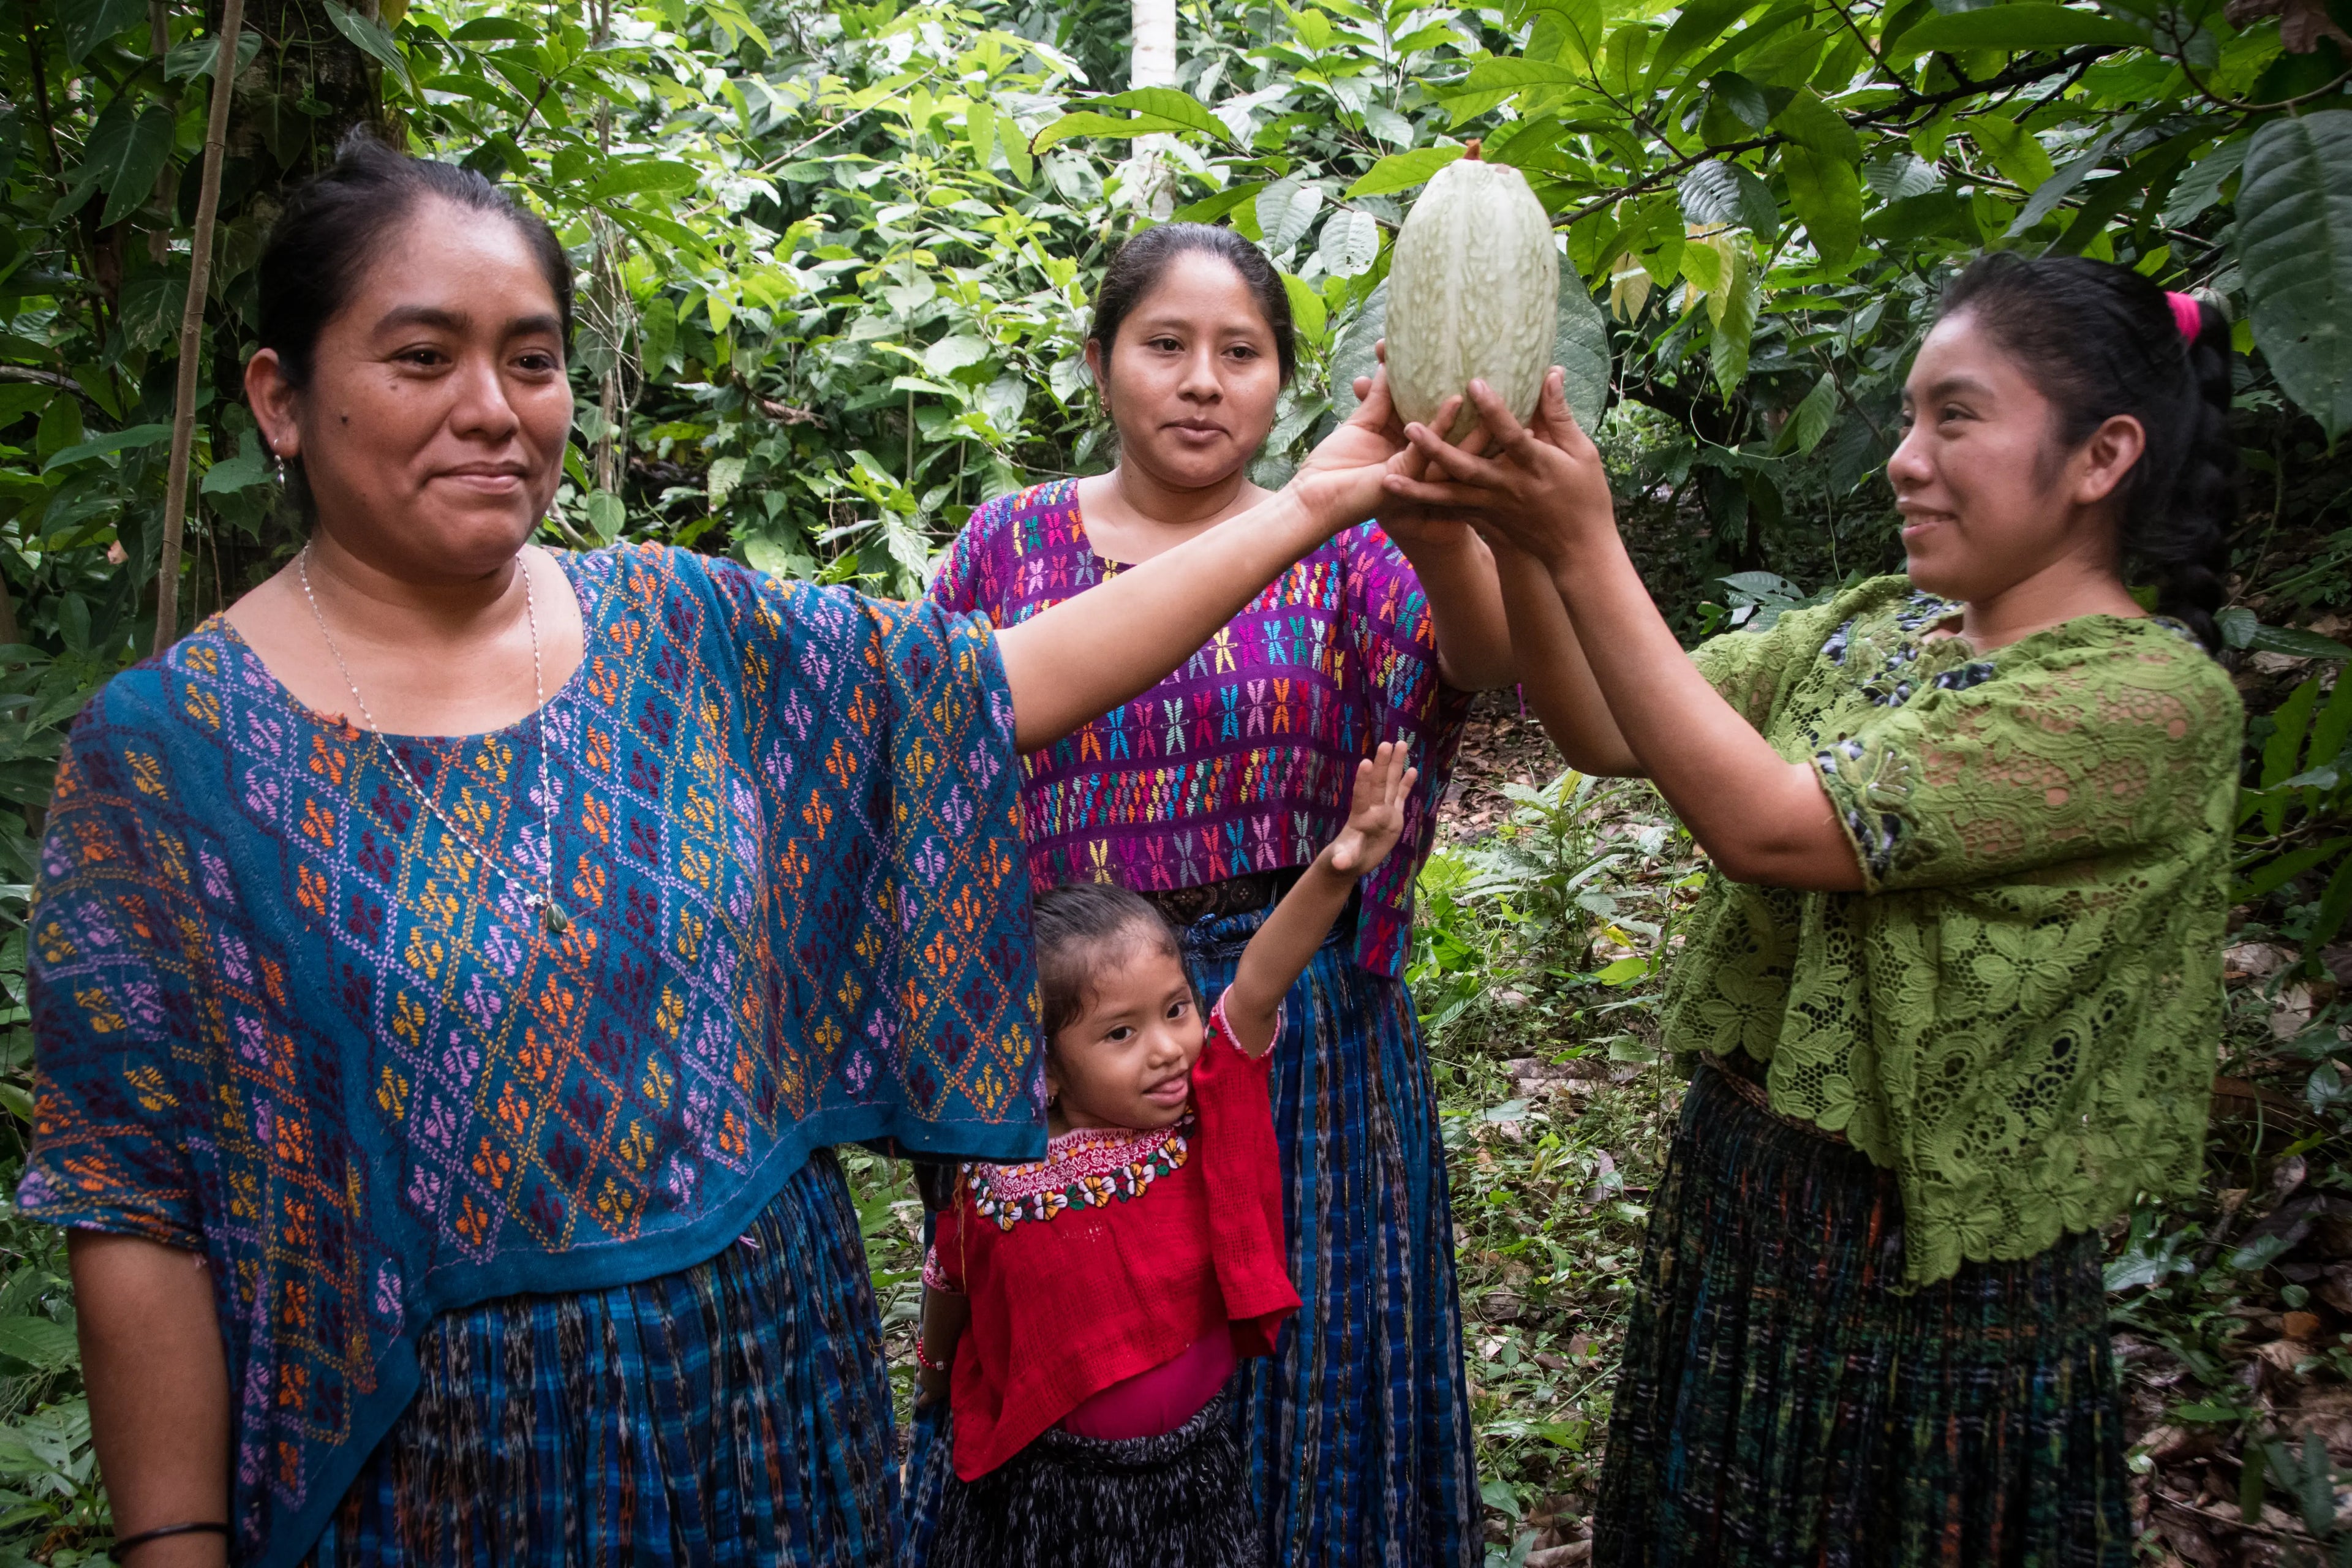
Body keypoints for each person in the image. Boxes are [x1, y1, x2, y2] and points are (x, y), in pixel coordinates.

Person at [16, 140, 1424, 1568]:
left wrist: (1306, 508)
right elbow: (138, 1199)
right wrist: (175, 1540)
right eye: (422, 356)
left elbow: (999, 682)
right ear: (280, 398)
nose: (492, 410)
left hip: (768, 1410)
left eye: (533, 358)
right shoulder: (169, 756)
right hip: (436, 1482)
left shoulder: (683, 633)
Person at [1384, 252, 2245, 1566]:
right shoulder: (1886, 627)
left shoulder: (2146, 701)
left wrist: (1584, 538)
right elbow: (1607, 726)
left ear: (2102, 454)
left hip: (1934, 1273)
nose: (1905, 457)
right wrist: (1504, 531)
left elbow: (1773, 826)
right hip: (1754, 1192)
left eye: (1955, 416)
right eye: (1909, 416)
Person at [913, 222, 1510, 1567]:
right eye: (1165, 344)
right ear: (1100, 360)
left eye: (1239, 353)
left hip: (1287, 1025)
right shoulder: (1008, 543)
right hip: (1067, 1031)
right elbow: (936, 765)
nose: (1201, 379)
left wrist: (1444, 521)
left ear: (1282, 383)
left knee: (1303, 1367)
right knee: (1087, 1389)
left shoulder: (1345, 545)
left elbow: (1474, 654)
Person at [914, 741, 1419, 1568]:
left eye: (1177, 1009)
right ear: (1044, 1061)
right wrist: (932, 1378)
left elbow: (1258, 981)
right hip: (1054, 1498)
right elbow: (953, 1281)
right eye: (1121, 1033)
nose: (1168, 1049)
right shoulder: (996, 1175)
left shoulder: (1204, 1113)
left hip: (1195, 1479)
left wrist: (1339, 864)